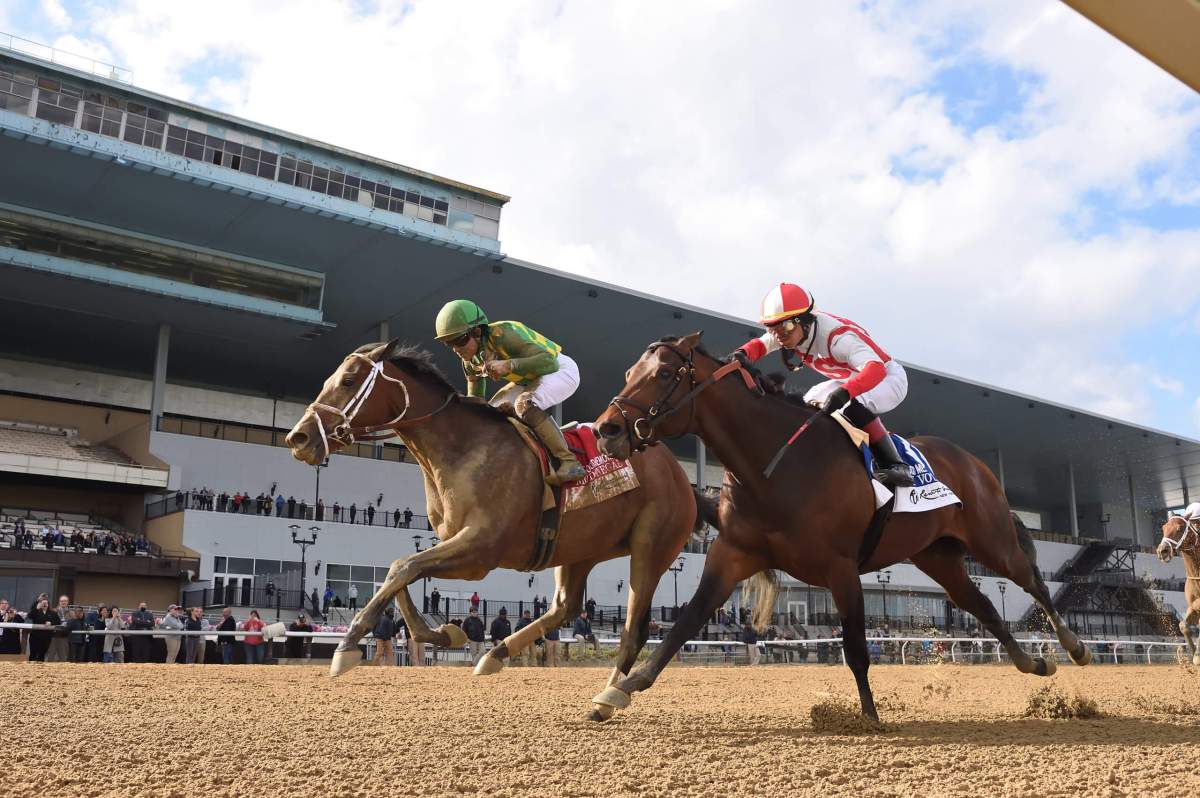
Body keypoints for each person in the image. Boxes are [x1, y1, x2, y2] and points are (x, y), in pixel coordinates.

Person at [731, 283, 913, 488]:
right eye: (773, 328)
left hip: (887, 377)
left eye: (785, 327)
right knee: (808, 400)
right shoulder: (791, 331)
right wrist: (741, 354)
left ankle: (898, 465)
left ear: (806, 321)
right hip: (852, 376)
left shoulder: (838, 338)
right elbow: (762, 344)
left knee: (853, 404)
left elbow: (876, 370)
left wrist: (846, 392)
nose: (779, 335)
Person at [434, 299, 586, 485]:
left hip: (561, 370)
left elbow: (549, 362)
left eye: (460, 340)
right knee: (489, 413)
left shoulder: (504, 333)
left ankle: (569, 462)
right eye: (449, 344)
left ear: (477, 331)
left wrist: (509, 365)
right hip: (529, 379)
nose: (457, 349)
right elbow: (477, 402)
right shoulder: (470, 362)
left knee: (523, 404)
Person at [27, 597, 58, 661]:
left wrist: (51, 622)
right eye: (43, 603)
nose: (44, 604)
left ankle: (40, 669)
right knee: (33, 654)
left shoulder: (52, 613)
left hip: (46, 637)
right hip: (35, 636)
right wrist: (36, 608)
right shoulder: (36, 611)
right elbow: (29, 616)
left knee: (42, 654)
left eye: (46, 603)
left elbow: (58, 621)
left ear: (48, 604)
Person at [45, 595, 72, 662]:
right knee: (50, 656)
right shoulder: (53, 611)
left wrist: (68, 624)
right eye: (62, 601)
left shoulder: (71, 613)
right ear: (59, 602)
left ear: (68, 602)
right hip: (53, 636)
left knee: (63, 657)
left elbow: (73, 623)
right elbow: (48, 620)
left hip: (64, 637)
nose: (63, 602)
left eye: (65, 601)